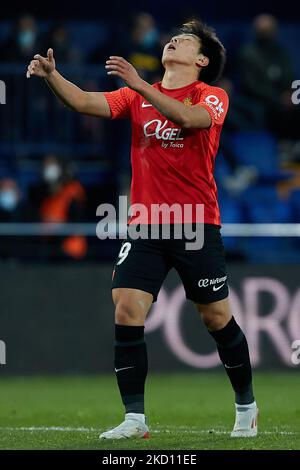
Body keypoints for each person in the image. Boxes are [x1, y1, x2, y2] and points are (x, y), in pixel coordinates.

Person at [26, 18, 258, 439]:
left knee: (215, 316)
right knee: (127, 309)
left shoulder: (212, 96)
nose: (173, 41)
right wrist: (53, 76)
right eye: (173, 38)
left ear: (201, 59)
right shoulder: (135, 97)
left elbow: (189, 119)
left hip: (195, 223)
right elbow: (81, 102)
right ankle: (135, 419)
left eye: (183, 41)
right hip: (146, 224)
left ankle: (247, 406)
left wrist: (139, 83)